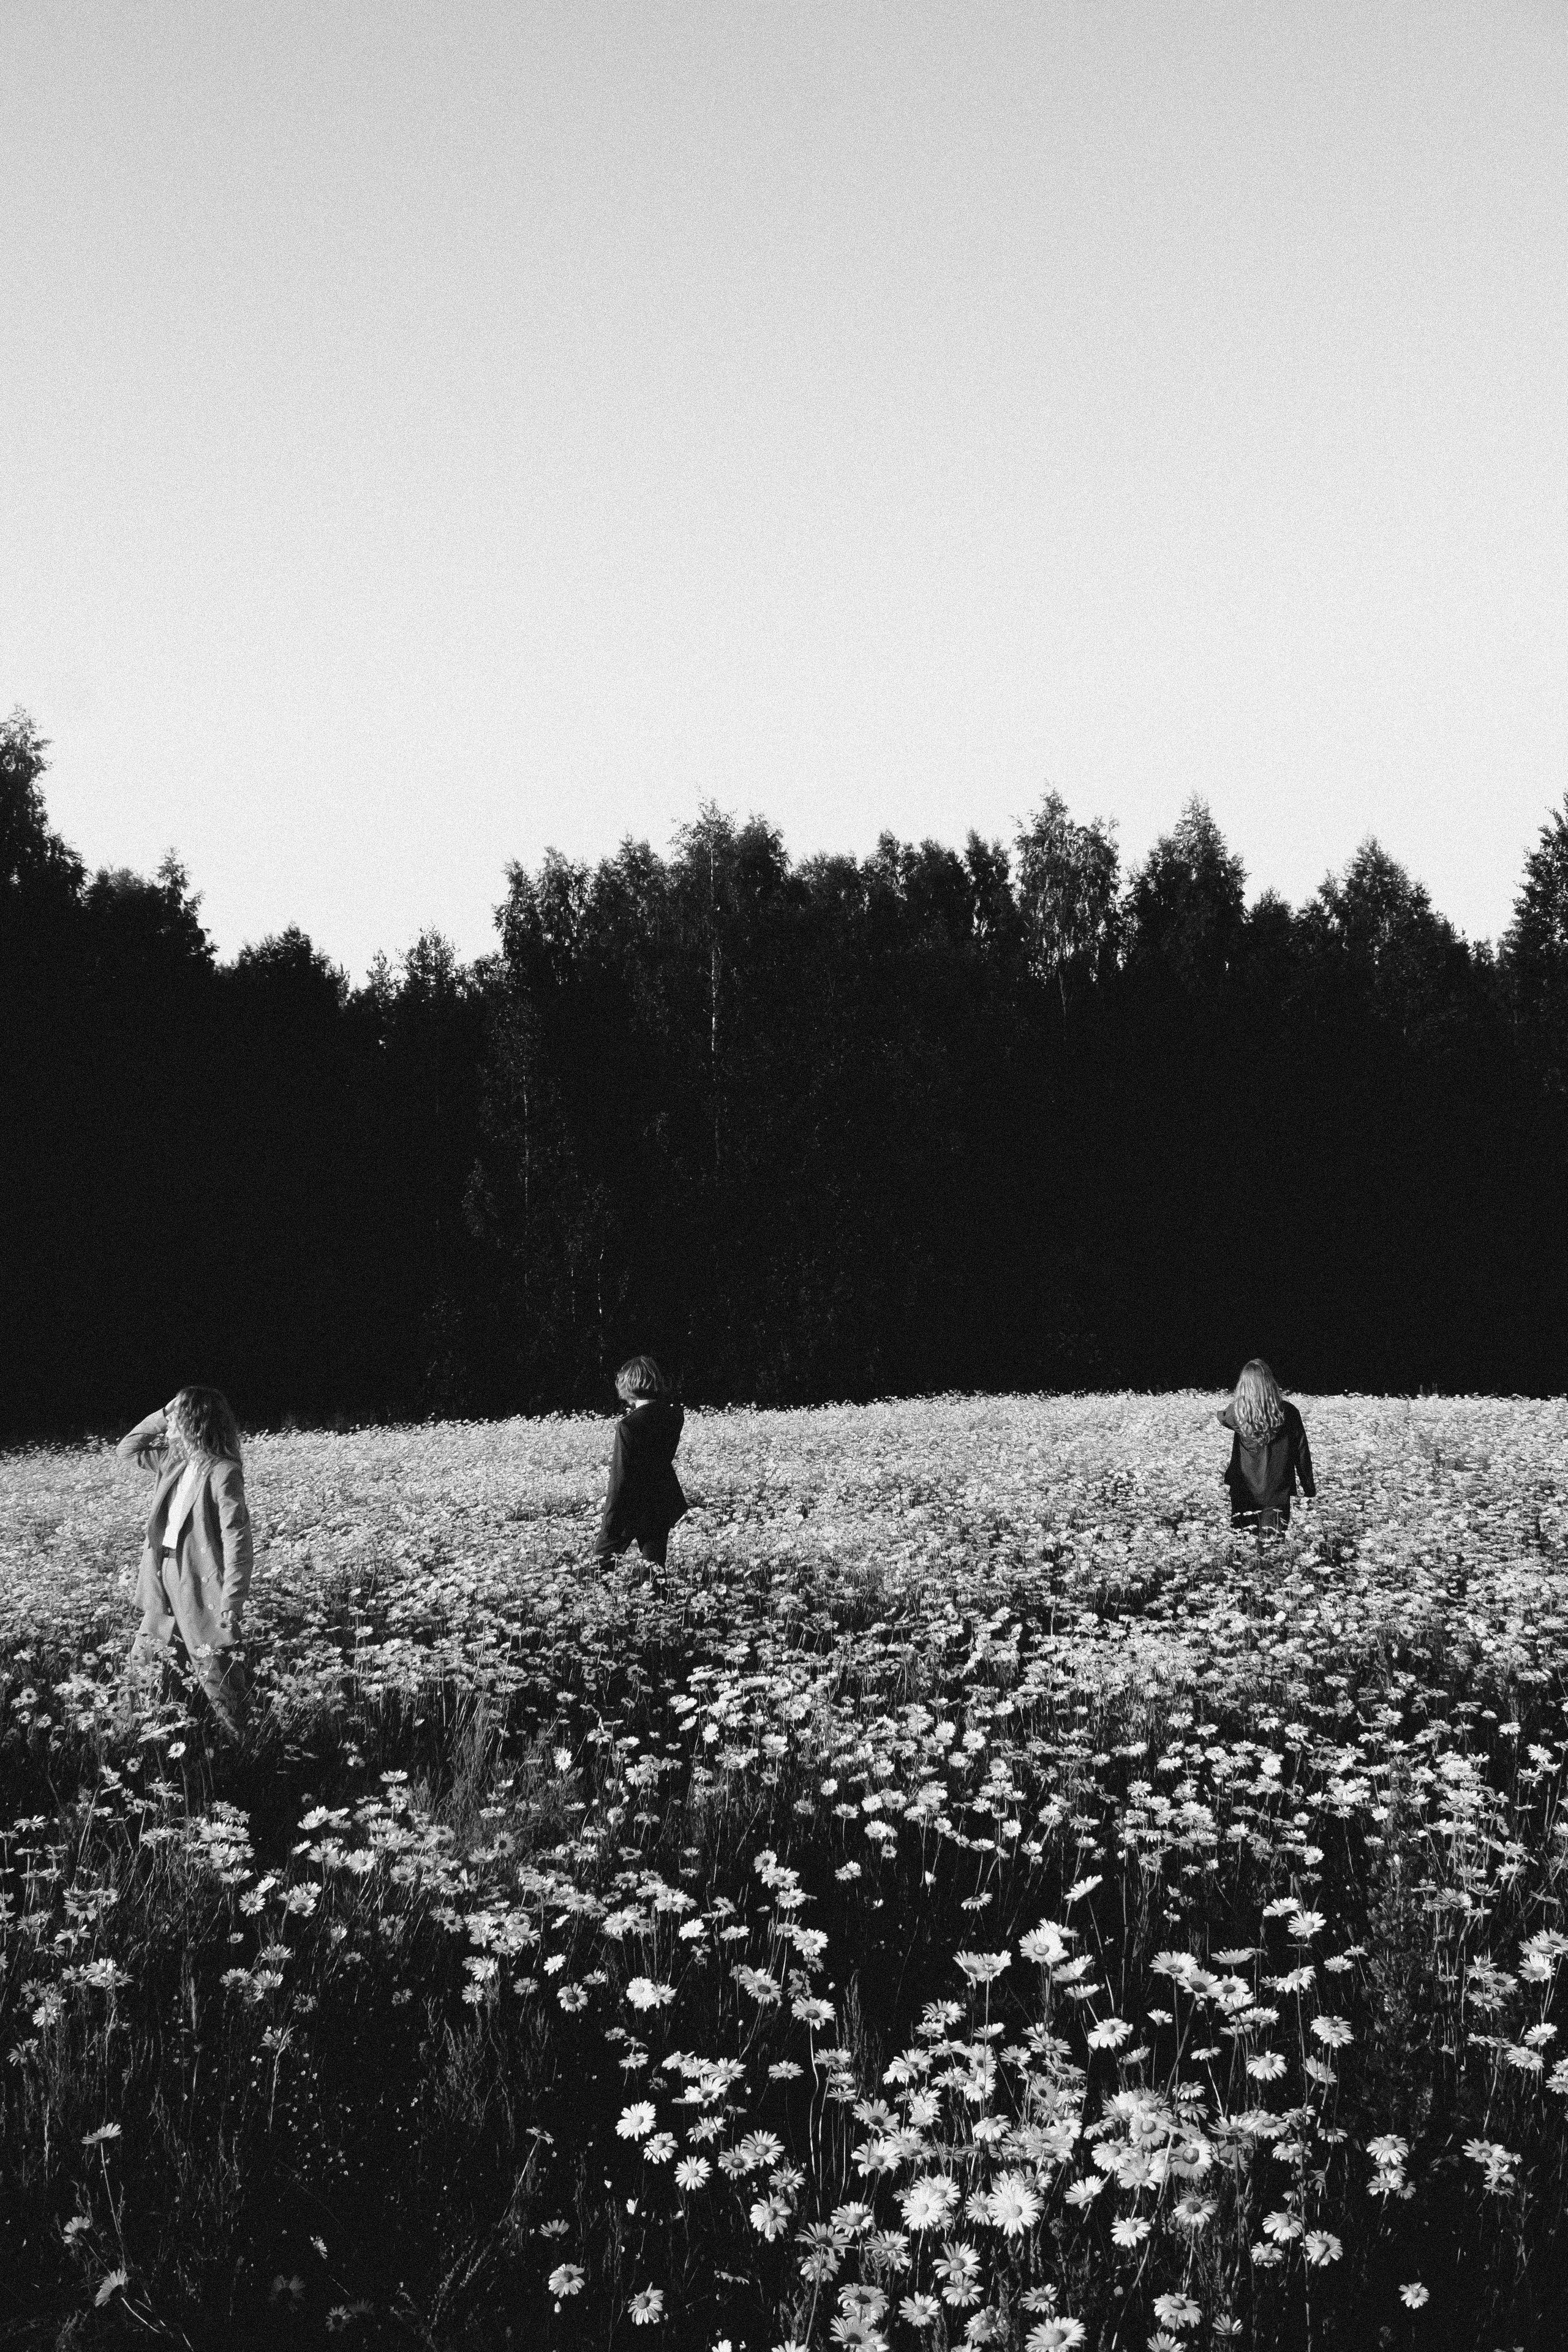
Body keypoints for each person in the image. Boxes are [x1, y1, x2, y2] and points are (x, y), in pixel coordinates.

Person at [118, 1386, 252, 1741]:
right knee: (143, 1662)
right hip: (163, 1573)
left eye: (177, 1415)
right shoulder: (172, 1461)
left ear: (194, 1420)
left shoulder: (223, 1471)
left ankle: (248, 1747)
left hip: (197, 1579)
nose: (170, 1423)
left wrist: (232, 1598)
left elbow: (237, 1538)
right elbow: (128, 1447)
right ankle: (122, 1739)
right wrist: (162, 1412)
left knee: (214, 1670)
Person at [595, 1355, 687, 1581]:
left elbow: (621, 1479)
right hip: (661, 1501)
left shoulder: (628, 1425)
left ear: (628, 1385)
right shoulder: (674, 1415)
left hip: (631, 1505)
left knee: (597, 1569)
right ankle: (659, 1610)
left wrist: (609, 1523)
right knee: (655, 1571)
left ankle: (602, 1609)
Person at [1216, 1359, 1316, 1536]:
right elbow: (1301, 1451)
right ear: (1270, 1383)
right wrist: (1308, 1486)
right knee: (1272, 1549)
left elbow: (1222, 1416)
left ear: (1243, 1386)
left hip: (1243, 1491)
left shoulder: (1237, 1413)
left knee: (1244, 1545)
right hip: (1277, 1492)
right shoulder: (1289, 1412)